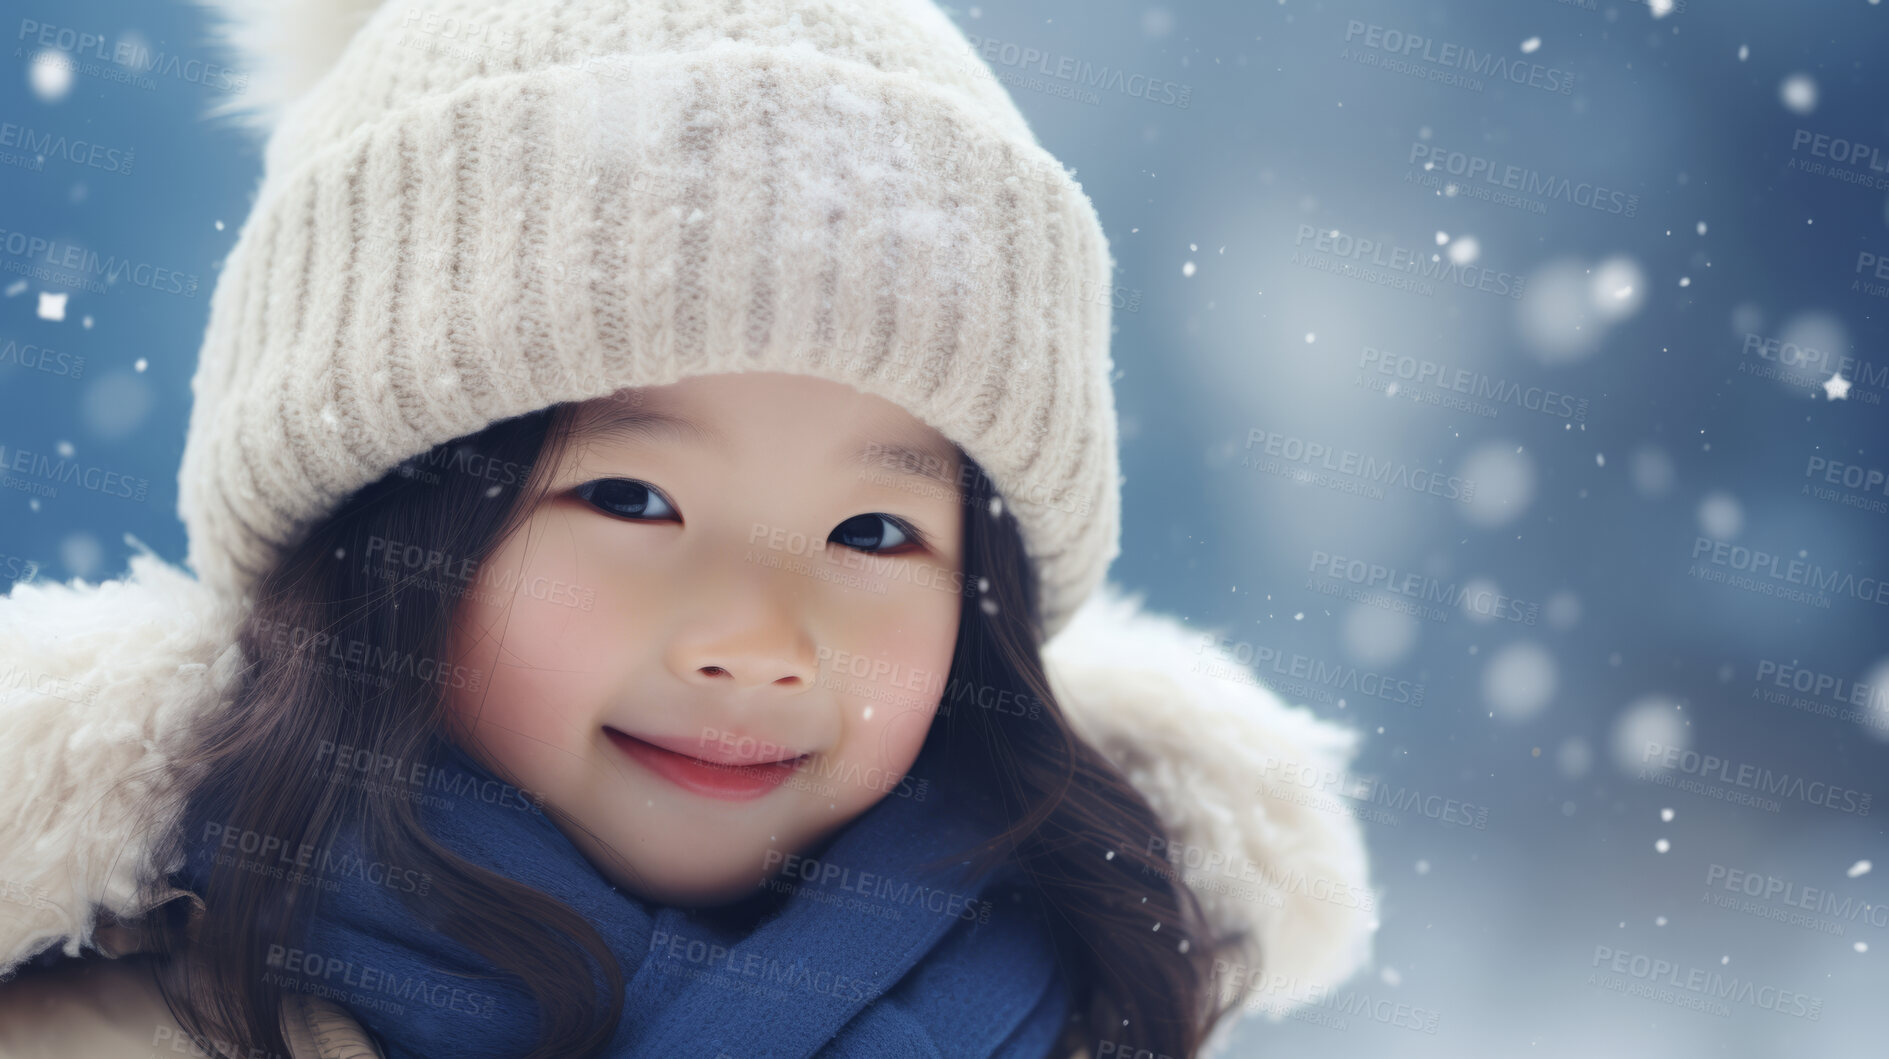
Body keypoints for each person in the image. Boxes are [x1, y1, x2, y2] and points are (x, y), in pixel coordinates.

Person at [0, 1, 1374, 1056]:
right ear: (378, 537)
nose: (759, 641)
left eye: (874, 533)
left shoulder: (1092, 1008)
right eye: (630, 499)